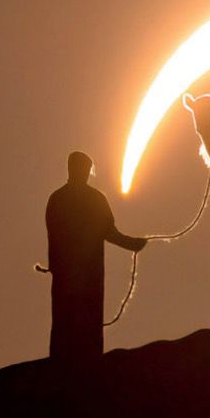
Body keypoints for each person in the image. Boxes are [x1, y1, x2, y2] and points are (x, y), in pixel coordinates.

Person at [45, 151, 147, 367]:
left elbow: (105, 231)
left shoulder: (60, 199)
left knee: (72, 318)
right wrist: (131, 243)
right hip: (82, 274)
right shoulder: (86, 199)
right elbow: (108, 232)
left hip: (72, 274)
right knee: (77, 318)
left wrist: (132, 243)